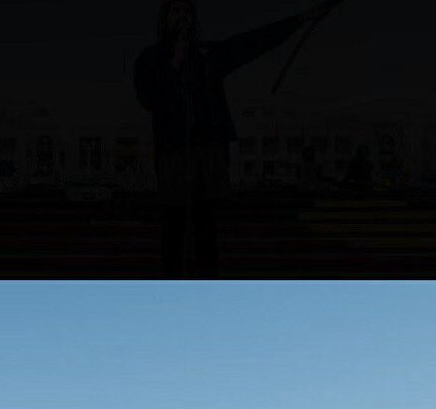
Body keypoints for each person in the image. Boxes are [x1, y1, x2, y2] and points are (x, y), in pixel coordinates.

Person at [134, 0, 339, 277]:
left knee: (205, 226)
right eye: (176, 11)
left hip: (207, 152)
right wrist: (174, 63)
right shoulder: (150, 59)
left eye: (187, 12)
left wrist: (301, 18)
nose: (182, 17)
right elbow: (148, 98)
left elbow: (252, 42)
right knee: (174, 225)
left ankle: (208, 289)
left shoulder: (207, 56)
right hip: (173, 153)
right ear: (165, 18)